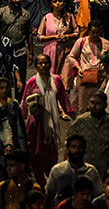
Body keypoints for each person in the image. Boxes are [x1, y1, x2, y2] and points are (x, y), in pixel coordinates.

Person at [21, 54, 75, 186]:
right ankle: (40, 185)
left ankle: (51, 184)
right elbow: (24, 102)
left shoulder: (56, 80)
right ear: (36, 66)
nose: (43, 65)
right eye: (40, 63)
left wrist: (73, 115)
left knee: (51, 154)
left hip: (51, 124)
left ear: (50, 64)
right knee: (34, 154)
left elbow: (64, 99)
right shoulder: (31, 82)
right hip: (35, 125)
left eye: (46, 63)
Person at [68, 90, 109, 179]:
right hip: (85, 173)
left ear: (105, 105)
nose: (94, 106)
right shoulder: (80, 122)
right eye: (92, 103)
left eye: (98, 104)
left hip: (107, 173)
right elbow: (68, 145)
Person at [65, 22, 109, 111]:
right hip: (84, 76)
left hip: (100, 77)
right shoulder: (81, 42)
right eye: (93, 32)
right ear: (89, 32)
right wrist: (79, 68)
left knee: (98, 102)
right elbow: (71, 56)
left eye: (97, 33)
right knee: (82, 103)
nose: (95, 35)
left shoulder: (106, 44)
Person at [45, 134, 103, 206]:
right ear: (68, 149)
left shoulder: (91, 171)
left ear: (84, 149)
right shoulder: (57, 170)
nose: (77, 150)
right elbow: (49, 195)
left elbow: (99, 195)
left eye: (80, 147)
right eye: (73, 147)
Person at [38, 0, 78, 75]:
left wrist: (67, 36)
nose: (58, 3)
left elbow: (76, 32)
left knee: (65, 75)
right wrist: (54, 37)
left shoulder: (69, 17)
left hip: (66, 50)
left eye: (60, 1)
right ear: (52, 4)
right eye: (55, 1)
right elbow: (40, 36)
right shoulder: (47, 18)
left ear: (63, 3)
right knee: (52, 76)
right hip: (51, 50)